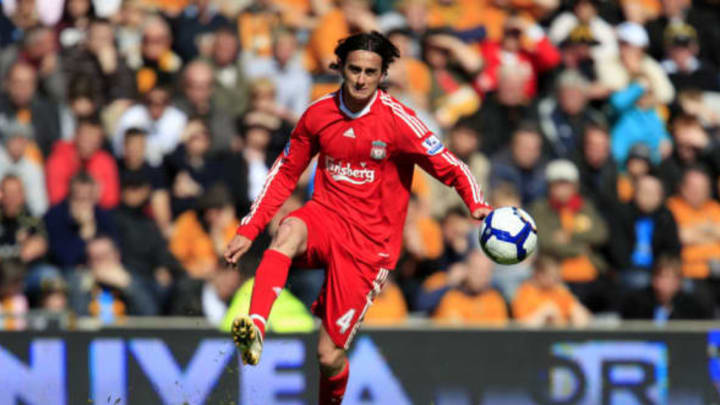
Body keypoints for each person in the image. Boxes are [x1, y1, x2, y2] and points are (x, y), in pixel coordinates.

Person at [223, 32, 491, 404]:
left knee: (328, 356)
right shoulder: (318, 114)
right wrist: (249, 230)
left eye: (370, 72)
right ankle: (255, 327)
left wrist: (476, 203)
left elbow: (448, 163)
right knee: (287, 230)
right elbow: (285, 172)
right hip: (325, 215)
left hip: (369, 246)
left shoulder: (398, 121)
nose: (361, 79)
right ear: (340, 69)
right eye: (354, 70)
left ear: (382, 75)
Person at [620, 255, 712, 320]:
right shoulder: (636, 302)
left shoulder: (692, 306)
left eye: (668, 277)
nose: (662, 282)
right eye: (659, 276)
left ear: (678, 281)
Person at [513, 254, 592, 327]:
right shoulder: (525, 293)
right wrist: (542, 314)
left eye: (557, 276)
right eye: (552, 276)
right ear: (538, 274)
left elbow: (578, 313)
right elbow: (520, 326)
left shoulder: (559, 291)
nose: (556, 280)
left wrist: (578, 313)